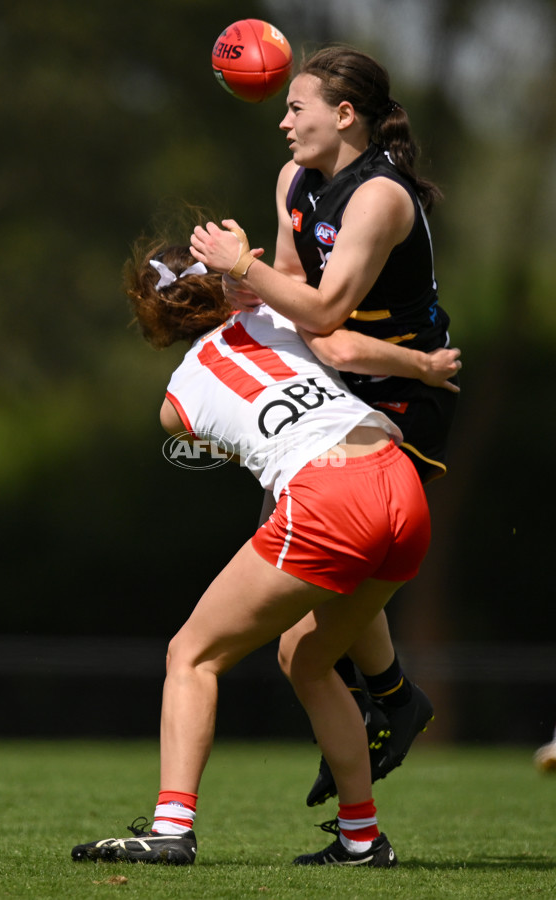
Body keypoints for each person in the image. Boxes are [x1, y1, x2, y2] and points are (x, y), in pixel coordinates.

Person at [71, 241, 440, 867]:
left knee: (191, 655)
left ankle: (170, 827)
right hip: (398, 480)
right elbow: (318, 315)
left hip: (327, 495)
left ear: (159, 324)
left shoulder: (175, 403)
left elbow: (208, 426)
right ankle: (361, 839)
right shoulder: (282, 314)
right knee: (307, 658)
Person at [190, 45, 460, 804]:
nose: (282, 123)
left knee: (321, 594)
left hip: (407, 402)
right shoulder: (296, 179)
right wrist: (244, 292)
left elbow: (329, 311)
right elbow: (294, 296)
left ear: (345, 115)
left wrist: (244, 266)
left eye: (296, 108)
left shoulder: (380, 197)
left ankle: (391, 706)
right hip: (338, 379)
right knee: (312, 574)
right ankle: (393, 700)